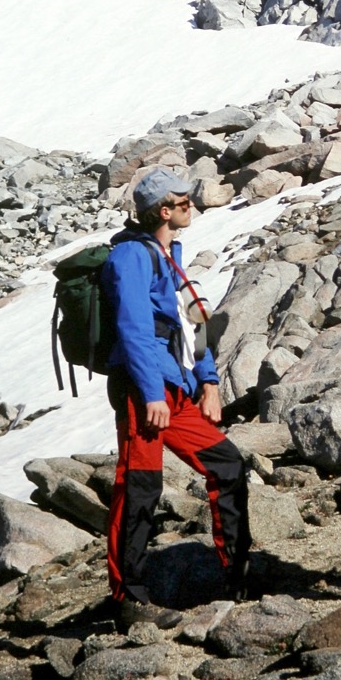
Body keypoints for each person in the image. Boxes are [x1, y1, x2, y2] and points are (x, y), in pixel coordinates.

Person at [101, 168, 251, 629]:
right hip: (144, 389)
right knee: (140, 485)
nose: (192, 205)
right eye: (184, 201)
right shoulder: (131, 255)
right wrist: (151, 394)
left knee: (227, 464)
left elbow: (193, 322)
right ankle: (130, 597)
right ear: (163, 211)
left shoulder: (171, 254)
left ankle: (237, 577)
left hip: (177, 387)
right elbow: (133, 330)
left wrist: (209, 381)